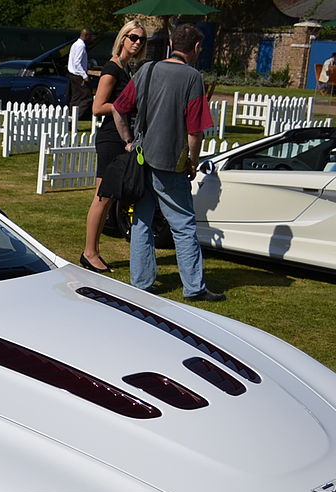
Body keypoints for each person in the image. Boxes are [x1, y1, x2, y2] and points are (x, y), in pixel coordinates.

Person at [112, 23, 222, 302]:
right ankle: (194, 287)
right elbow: (194, 131)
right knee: (183, 225)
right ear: (196, 47)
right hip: (170, 161)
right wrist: (193, 161)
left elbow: (118, 108)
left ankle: (141, 283)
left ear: (172, 43)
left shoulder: (146, 69)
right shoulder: (192, 77)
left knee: (141, 222)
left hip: (141, 158)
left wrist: (128, 140)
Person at [80, 20, 146, 275]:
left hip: (121, 136)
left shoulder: (126, 69)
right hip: (110, 137)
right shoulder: (112, 68)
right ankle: (90, 252)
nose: (137, 42)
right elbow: (98, 107)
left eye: (141, 39)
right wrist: (127, 104)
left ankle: (93, 251)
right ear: (122, 38)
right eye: (132, 37)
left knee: (107, 199)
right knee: (102, 197)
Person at [67, 28, 94, 122]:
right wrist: (84, 76)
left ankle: (69, 119)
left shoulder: (75, 44)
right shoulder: (81, 46)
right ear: (86, 35)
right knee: (87, 97)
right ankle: (75, 118)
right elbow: (77, 63)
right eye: (90, 36)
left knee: (75, 98)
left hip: (73, 74)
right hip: (78, 76)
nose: (91, 38)